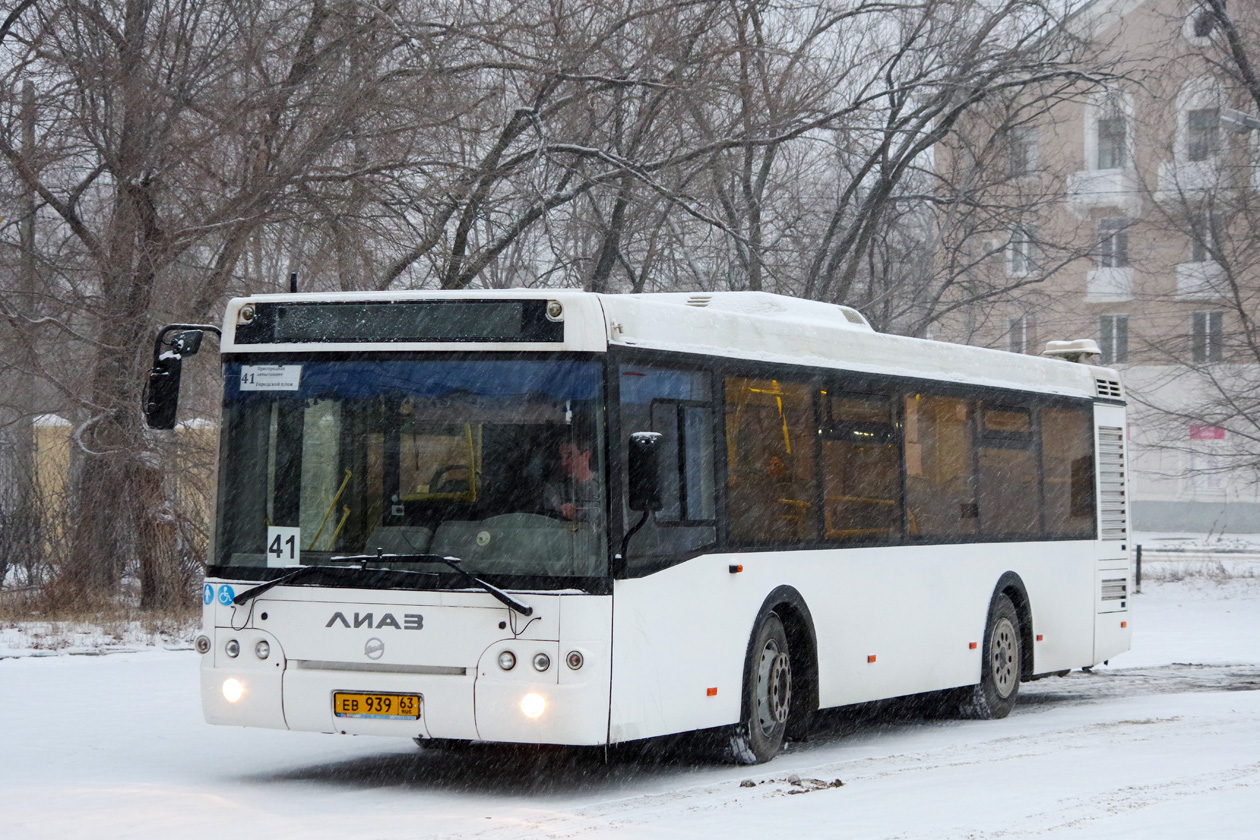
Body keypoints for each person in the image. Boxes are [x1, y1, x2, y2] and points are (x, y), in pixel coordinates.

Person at [544, 439, 601, 523]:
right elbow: (548, 519)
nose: (563, 463)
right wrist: (560, 510)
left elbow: (619, 525)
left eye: (570, 456)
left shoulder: (604, 485)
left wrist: (578, 513)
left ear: (586, 456)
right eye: (561, 457)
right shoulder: (555, 488)